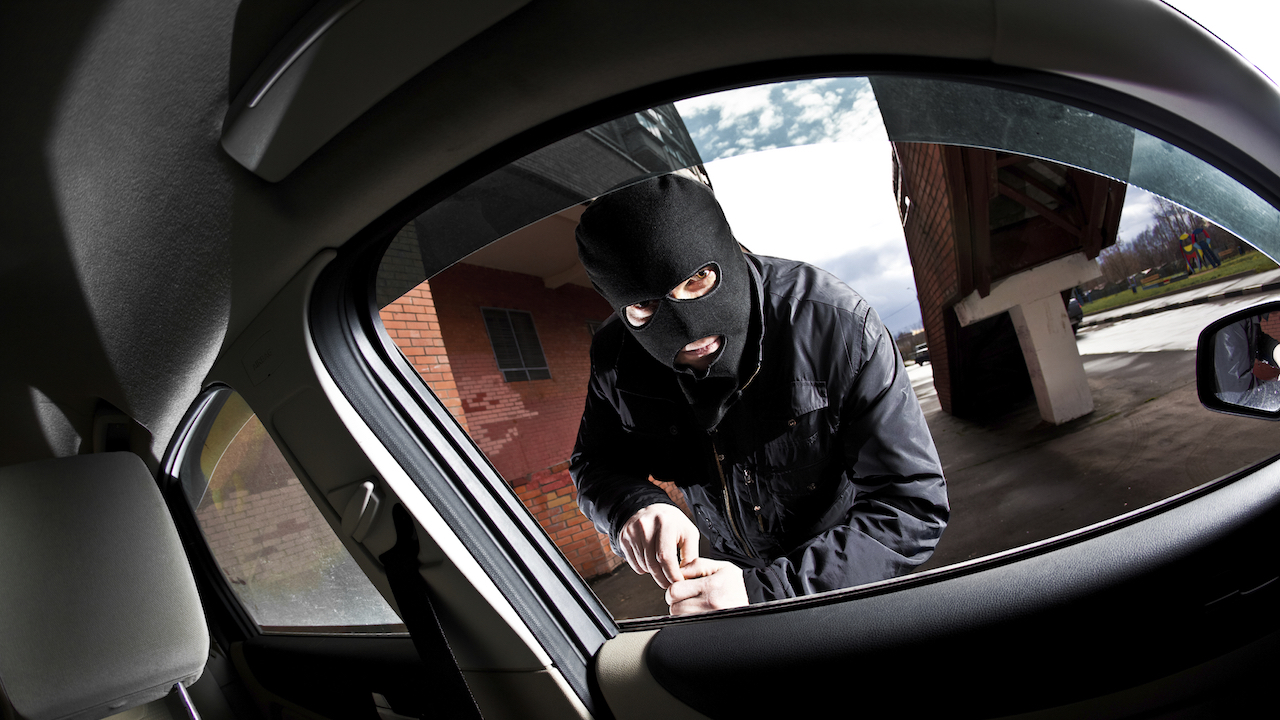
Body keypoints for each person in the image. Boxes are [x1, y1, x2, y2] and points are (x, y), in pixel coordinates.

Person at [568, 174, 949, 615]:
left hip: (845, 574)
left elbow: (910, 503)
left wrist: (766, 591)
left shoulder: (837, 326)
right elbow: (595, 462)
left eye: (698, 280)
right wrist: (633, 506)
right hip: (725, 576)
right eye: (644, 306)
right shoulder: (617, 358)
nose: (689, 330)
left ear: (729, 251)